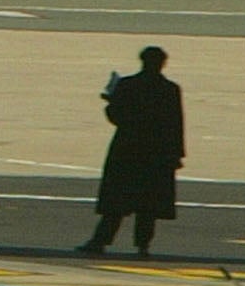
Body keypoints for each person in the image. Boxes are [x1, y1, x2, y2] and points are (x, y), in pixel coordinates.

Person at [78, 46, 184, 257]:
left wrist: (110, 102)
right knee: (148, 206)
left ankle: (100, 241)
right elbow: (175, 124)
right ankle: (143, 246)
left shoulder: (127, 85)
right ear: (163, 63)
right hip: (156, 151)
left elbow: (116, 116)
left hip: (127, 149)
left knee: (115, 203)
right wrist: (176, 154)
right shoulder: (169, 89)